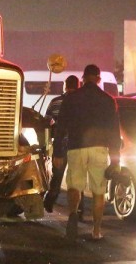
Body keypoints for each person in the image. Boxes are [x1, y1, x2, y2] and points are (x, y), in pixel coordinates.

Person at [54, 64, 121, 241]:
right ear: (98, 79)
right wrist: (116, 160)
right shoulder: (108, 100)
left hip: (76, 147)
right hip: (99, 148)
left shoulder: (71, 98)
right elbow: (114, 132)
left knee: (74, 186)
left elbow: (60, 126)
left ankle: (73, 214)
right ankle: (96, 231)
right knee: (99, 191)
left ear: (83, 79)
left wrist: (57, 152)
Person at [43, 75, 84, 215]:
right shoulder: (82, 102)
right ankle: (79, 207)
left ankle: (49, 201)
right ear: (78, 86)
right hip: (78, 145)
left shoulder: (56, 102)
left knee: (57, 175)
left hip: (60, 143)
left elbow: (47, 121)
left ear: (65, 86)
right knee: (78, 177)